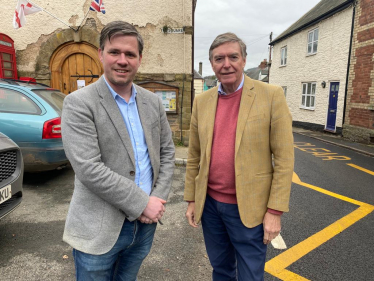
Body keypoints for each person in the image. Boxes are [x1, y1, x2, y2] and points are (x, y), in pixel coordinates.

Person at [61, 21, 175, 281]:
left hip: (144, 226)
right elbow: (89, 168)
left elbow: (167, 153)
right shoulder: (78, 103)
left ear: (140, 59)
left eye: (130, 54)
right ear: (101, 54)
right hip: (99, 229)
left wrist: (157, 198)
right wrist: (143, 203)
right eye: (114, 52)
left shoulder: (152, 102)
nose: (122, 60)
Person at [184, 32, 294, 281]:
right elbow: (194, 156)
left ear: (244, 60)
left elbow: (285, 159)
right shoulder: (202, 101)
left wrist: (274, 211)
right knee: (221, 269)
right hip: (210, 206)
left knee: (250, 275)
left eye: (233, 56)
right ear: (212, 64)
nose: (226, 64)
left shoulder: (271, 95)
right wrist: (192, 199)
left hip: (250, 208)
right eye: (219, 58)